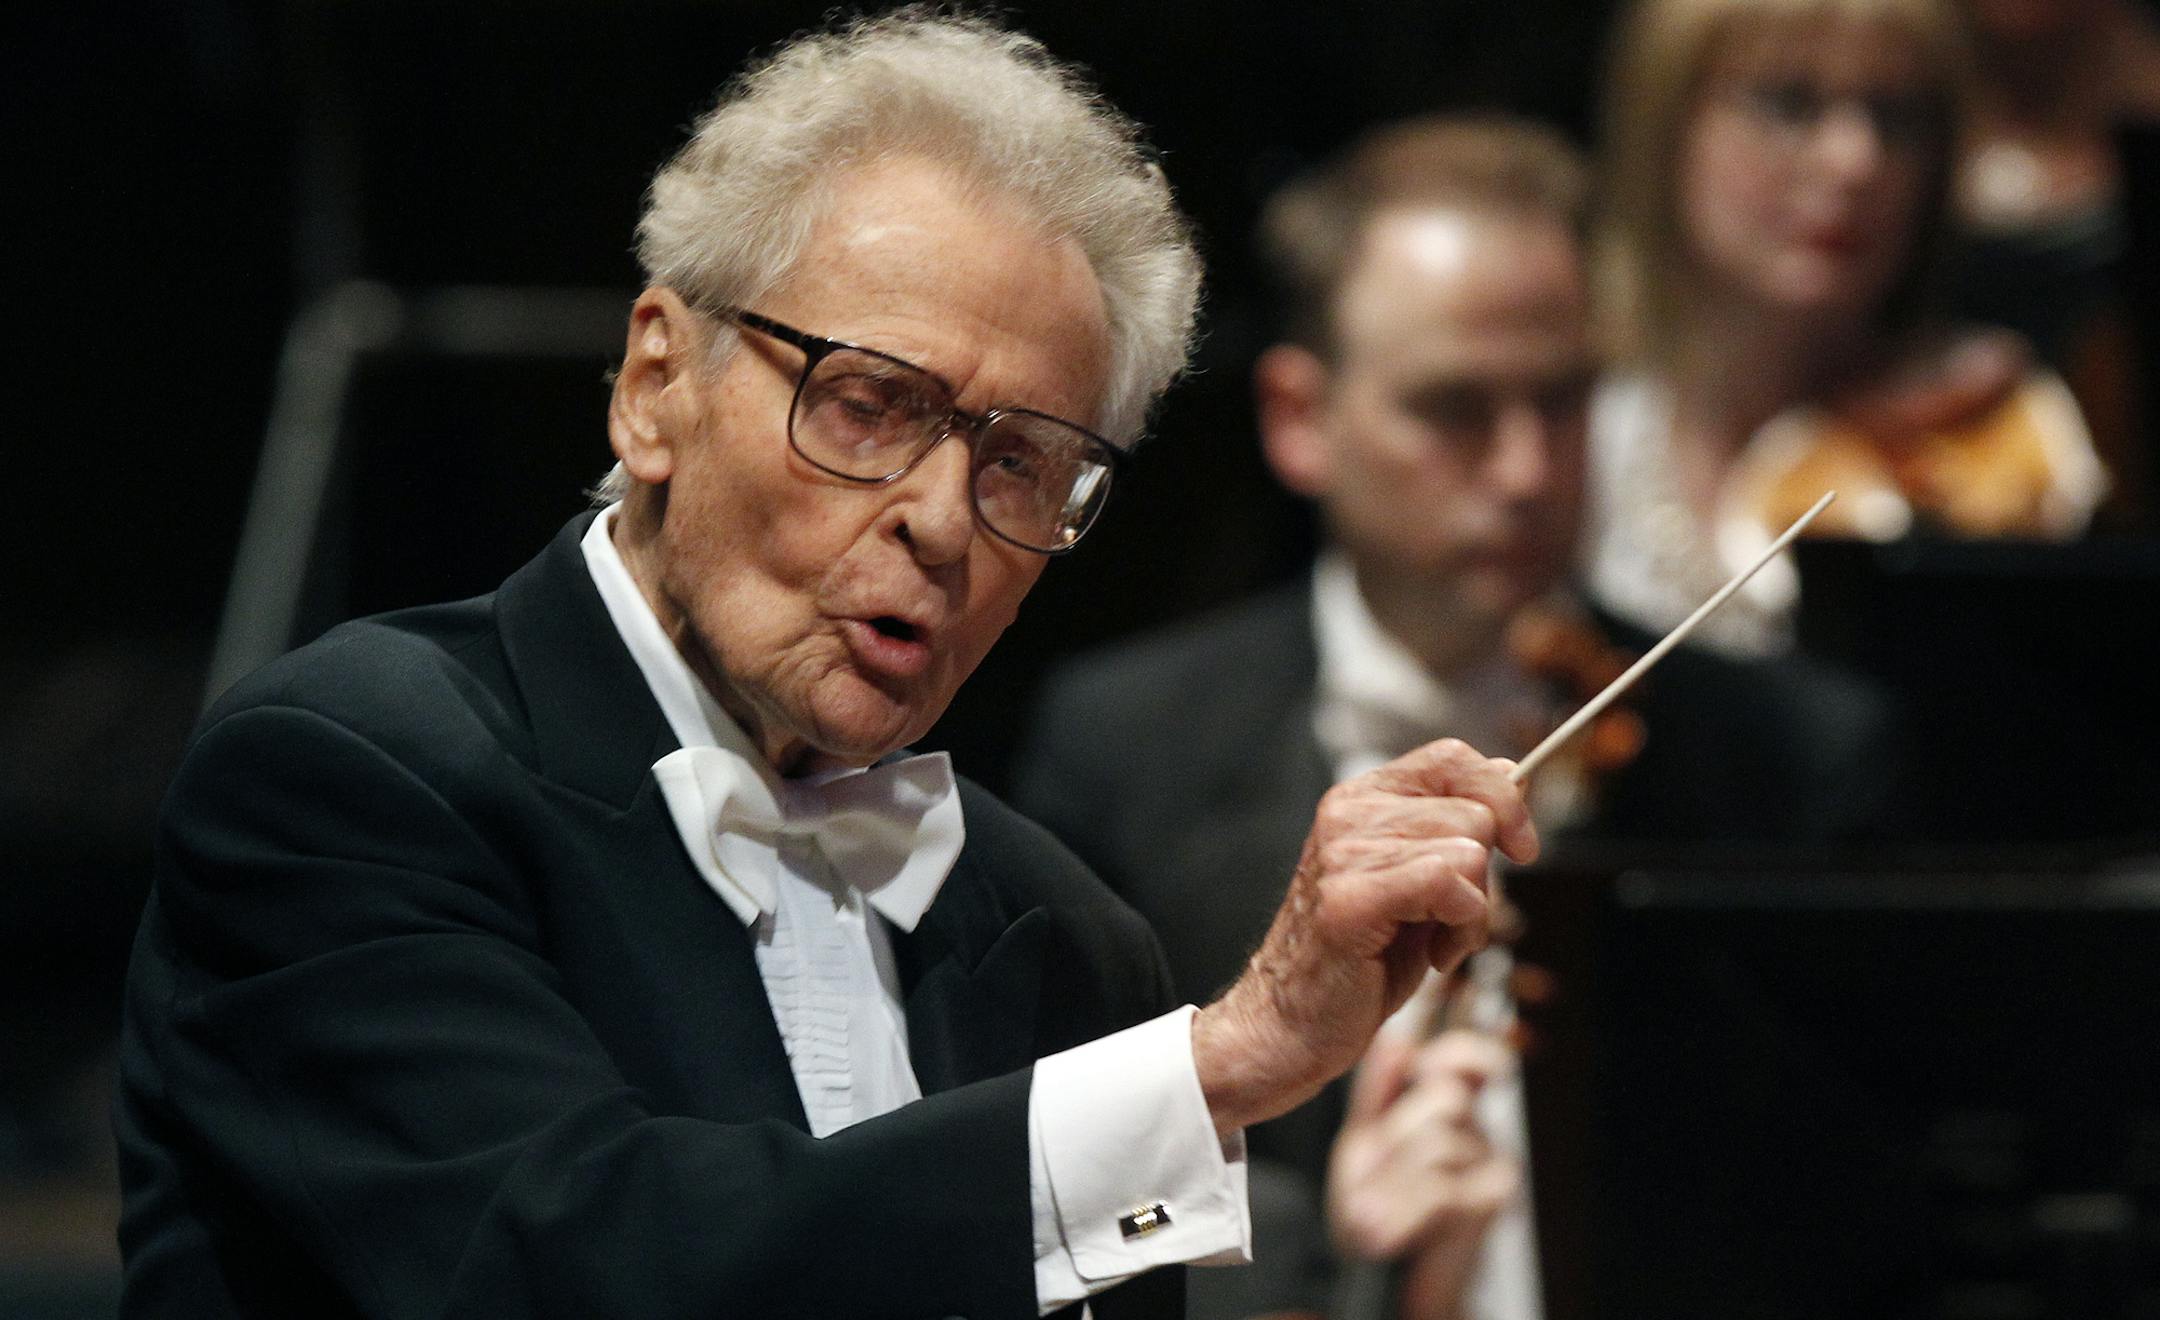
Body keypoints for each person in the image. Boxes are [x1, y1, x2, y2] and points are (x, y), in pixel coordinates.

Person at [113, 15, 1544, 1320]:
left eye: (1023, 466)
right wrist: (1220, 1064)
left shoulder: (1065, 941)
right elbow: (577, 1270)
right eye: (869, 406)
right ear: (657, 384)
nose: (939, 521)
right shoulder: (346, 777)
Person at [1012, 115, 1900, 1320]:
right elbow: (1065, 1201)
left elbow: (1841, 1218)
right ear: (1300, 417)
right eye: (1455, 408)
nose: (1530, 471)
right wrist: (1329, 1252)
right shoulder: (1124, 747)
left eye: (1565, 399)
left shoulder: (1790, 760)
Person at [1588, 0, 2111, 658]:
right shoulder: (1563, 438)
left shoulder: (1993, 436)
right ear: (1664, 128)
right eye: (1789, 103)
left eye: (1896, 118)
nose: (1855, 160)